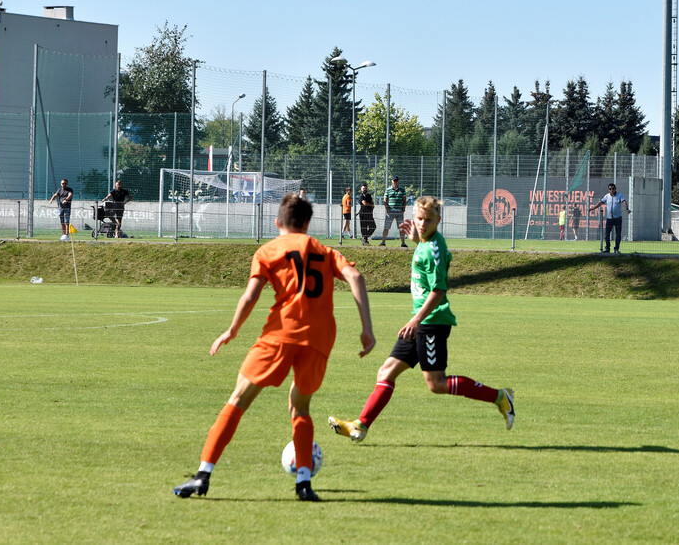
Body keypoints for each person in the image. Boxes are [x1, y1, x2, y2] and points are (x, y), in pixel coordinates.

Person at [173, 193, 376, 502]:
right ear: (308, 223)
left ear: (278, 222)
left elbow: (252, 295)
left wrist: (232, 329)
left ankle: (203, 475)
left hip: (281, 333)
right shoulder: (325, 250)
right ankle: (304, 484)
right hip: (320, 338)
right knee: (301, 408)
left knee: (238, 399)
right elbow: (355, 276)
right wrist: (367, 330)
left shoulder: (268, 250)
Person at [328, 196, 514, 443]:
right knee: (385, 372)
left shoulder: (434, 249)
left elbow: (438, 290)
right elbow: (427, 254)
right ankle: (360, 425)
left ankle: (501, 397)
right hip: (420, 322)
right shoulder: (426, 242)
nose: (422, 223)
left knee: (436, 384)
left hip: (432, 323)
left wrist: (416, 320)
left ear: (438, 219)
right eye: (419, 219)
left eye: (428, 220)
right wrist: (417, 240)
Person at [589, 183, 630, 254]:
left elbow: (624, 202)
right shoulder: (607, 196)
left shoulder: (620, 195)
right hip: (609, 219)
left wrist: (627, 209)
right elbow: (601, 202)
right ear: (609, 189)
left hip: (618, 218)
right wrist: (593, 208)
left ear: (615, 188)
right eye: (610, 189)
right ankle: (607, 248)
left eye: (613, 188)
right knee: (607, 234)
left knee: (618, 234)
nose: (612, 190)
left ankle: (616, 249)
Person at [379, 176, 408, 247]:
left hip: (399, 211)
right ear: (392, 181)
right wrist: (388, 210)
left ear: (398, 181)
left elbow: (404, 200)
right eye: (394, 180)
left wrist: (403, 209)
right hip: (390, 211)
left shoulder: (402, 190)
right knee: (386, 227)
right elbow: (385, 201)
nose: (395, 182)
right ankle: (383, 242)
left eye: (396, 181)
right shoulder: (388, 190)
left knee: (401, 228)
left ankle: (403, 243)